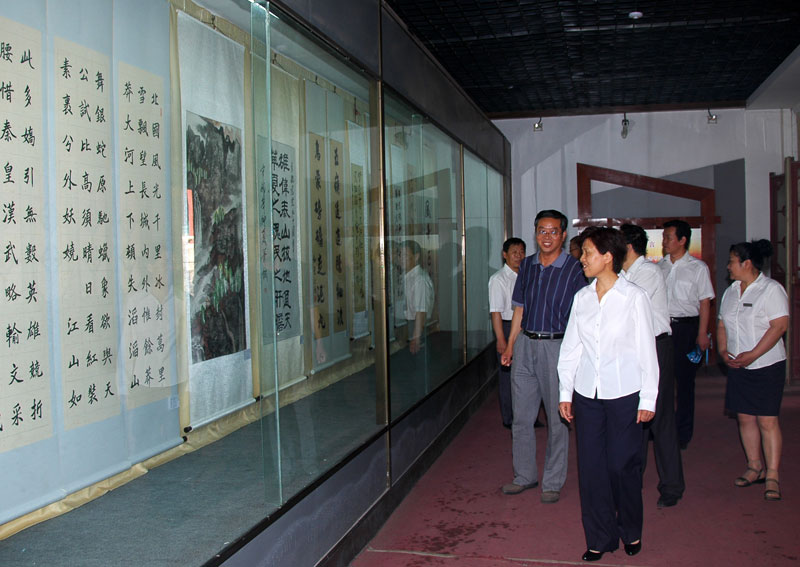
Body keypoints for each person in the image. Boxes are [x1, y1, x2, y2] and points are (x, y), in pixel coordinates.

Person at [558, 226, 659, 562]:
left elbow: (647, 352)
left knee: (621, 466)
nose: (582, 259)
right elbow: (571, 349)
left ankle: (630, 529)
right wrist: (565, 392)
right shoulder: (582, 298)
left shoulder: (634, 297)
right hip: (588, 394)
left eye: (588, 253)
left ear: (607, 257)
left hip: (625, 394)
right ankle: (600, 537)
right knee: (591, 469)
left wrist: (648, 398)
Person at [500, 210, 586, 502]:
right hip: (525, 344)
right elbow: (519, 309)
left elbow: (582, 314)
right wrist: (510, 346)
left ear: (563, 235)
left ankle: (552, 480)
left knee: (557, 418)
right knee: (521, 417)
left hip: (557, 347)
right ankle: (524, 475)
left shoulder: (575, 269)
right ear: (535, 233)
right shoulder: (527, 265)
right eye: (541, 231)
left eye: (553, 231)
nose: (546, 237)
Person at [717, 240, 788, 501]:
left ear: (746, 263)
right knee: (745, 418)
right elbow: (722, 325)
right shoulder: (731, 291)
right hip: (739, 365)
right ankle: (754, 466)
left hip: (766, 365)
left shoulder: (771, 290)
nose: (728, 266)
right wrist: (723, 351)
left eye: (732, 261)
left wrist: (753, 354)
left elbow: (779, 326)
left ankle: (772, 475)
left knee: (767, 421)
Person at [620, 224, 685, 508]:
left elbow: (627, 310)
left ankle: (672, 485)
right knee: (636, 415)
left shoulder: (648, 272)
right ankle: (634, 476)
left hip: (656, 347)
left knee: (660, 418)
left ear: (627, 247)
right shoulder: (624, 274)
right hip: (631, 350)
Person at [660, 219, 714, 449]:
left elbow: (705, 302)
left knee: (684, 383)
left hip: (686, 328)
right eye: (663, 237)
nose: (664, 242)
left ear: (682, 240)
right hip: (663, 328)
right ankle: (660, 429)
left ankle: (683, 433)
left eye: (668, 237)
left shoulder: (698, 268)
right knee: (661, 381)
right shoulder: (659, 267)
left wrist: (702, 333)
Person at [488, 237, 526, 428]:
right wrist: (501, 339)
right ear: (505, 255)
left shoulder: (526, 275)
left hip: (525, 328)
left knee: (526, 375)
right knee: (507, 376)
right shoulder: (498, 279)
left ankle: (526, 415)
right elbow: (495, 312)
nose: (518, 256)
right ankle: (509, 418)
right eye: (514, 253)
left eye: (521, 252)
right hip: (507, 326)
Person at [402, 239, 434, 355]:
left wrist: (416, 337)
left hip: (417, 326)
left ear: (416, 257)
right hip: (410, 325)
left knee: (418, 358)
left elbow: (421, 310)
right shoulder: (409, 277)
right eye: (400, 255)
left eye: (405, 255)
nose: (401, 259)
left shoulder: (419, 279)